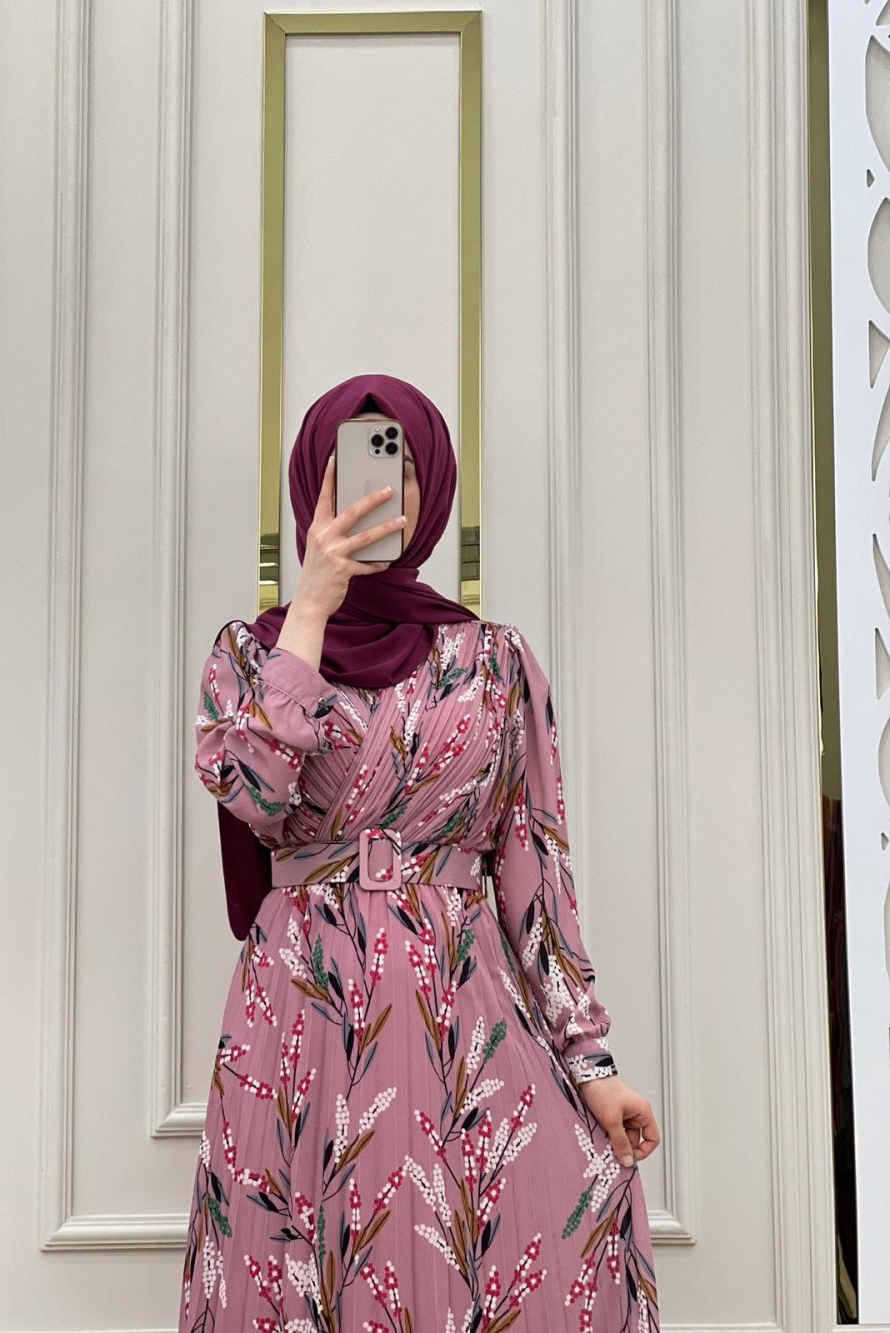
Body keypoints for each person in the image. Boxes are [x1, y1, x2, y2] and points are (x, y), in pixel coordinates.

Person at [178, 373, 661, 1332]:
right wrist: (308, 612)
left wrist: (592, 1062)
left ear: (431, 485)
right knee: (295, 1267)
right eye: (348, 467)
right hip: (302, 1012)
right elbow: (254, 798)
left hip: (460, 1015)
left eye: (394, 466)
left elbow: (535, 877)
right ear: (310, 482)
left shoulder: (494, 660)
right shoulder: (249, 656)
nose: (374, 492)